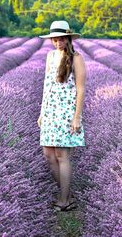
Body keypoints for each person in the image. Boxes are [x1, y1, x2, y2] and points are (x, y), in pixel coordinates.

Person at [37, 20, 86, 212]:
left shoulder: (77, 58)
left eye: (61, 39)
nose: (58, 42)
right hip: (50, 111)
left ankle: (64, 200)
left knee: (62, 155)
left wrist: (77, 117)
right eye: (54, 39)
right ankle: (67, 194)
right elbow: (46, 86)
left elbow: (81, 89)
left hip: (66, 112)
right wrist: (42, 112)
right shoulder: (50, 56)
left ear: (68, 39)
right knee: (48, 155)